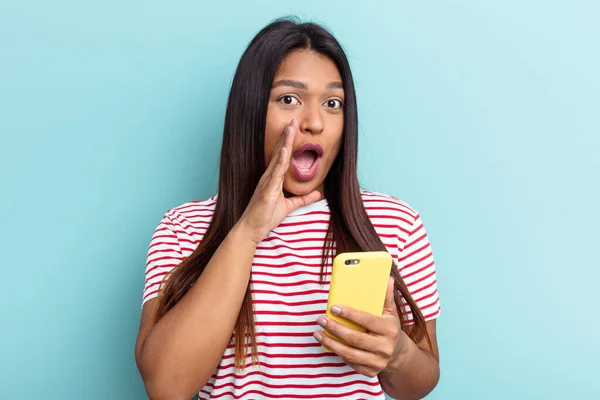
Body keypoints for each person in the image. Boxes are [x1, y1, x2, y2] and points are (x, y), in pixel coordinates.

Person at [135, 17, 441, 400]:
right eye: (288, 99)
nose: (314, 122)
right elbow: (166, 387)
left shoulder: (395, 223)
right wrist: (248, 231)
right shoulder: (183, 228)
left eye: (333, 103)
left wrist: (396, 356)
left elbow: (422, 381)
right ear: (249, 111)